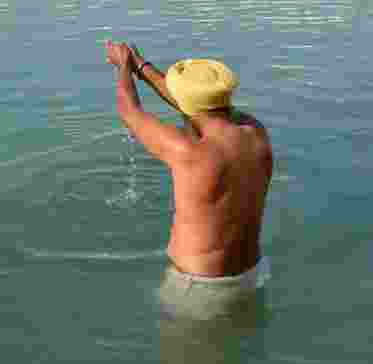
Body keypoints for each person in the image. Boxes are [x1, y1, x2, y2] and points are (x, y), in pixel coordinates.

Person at [105, 41, 273, 319]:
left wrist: (123, 67)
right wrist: (142, 66)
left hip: (199, 290)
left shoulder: (189, 151)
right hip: (252, 276)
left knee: (181, 363)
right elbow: (196, 108)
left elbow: (130, 113)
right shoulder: (255, 132)